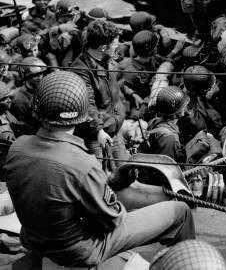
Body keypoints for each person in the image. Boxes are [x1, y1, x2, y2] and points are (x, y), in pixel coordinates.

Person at [5, 71, 196, 267]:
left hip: (35, 239)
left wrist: (108, 184)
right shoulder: (83, 163)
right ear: (81, 113)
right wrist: (111, 189)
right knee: (180, 211)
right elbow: (113, 220)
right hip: (78, 250)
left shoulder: (17, 147)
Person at [71, 19, 127, 160]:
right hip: (95, 136)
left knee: (122, 172)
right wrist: (98, 131)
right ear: (103, 47)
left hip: (114, 127)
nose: (117, 46)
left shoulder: (105, 58)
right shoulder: (80, 70)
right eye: (115, 43)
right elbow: (87, 104)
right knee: (100, 176)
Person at [147, 86, 189, 163]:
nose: (186, 107)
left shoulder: (154, 121)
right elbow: (167, 168)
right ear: (178, 111)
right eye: (183, 106)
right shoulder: (169, 137)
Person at [9, 56, 47, 137]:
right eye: (36, 75)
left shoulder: (41, 89)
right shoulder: (20, 101)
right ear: (27, 77)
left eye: (41, 74)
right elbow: (23, 129)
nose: (40, 78)